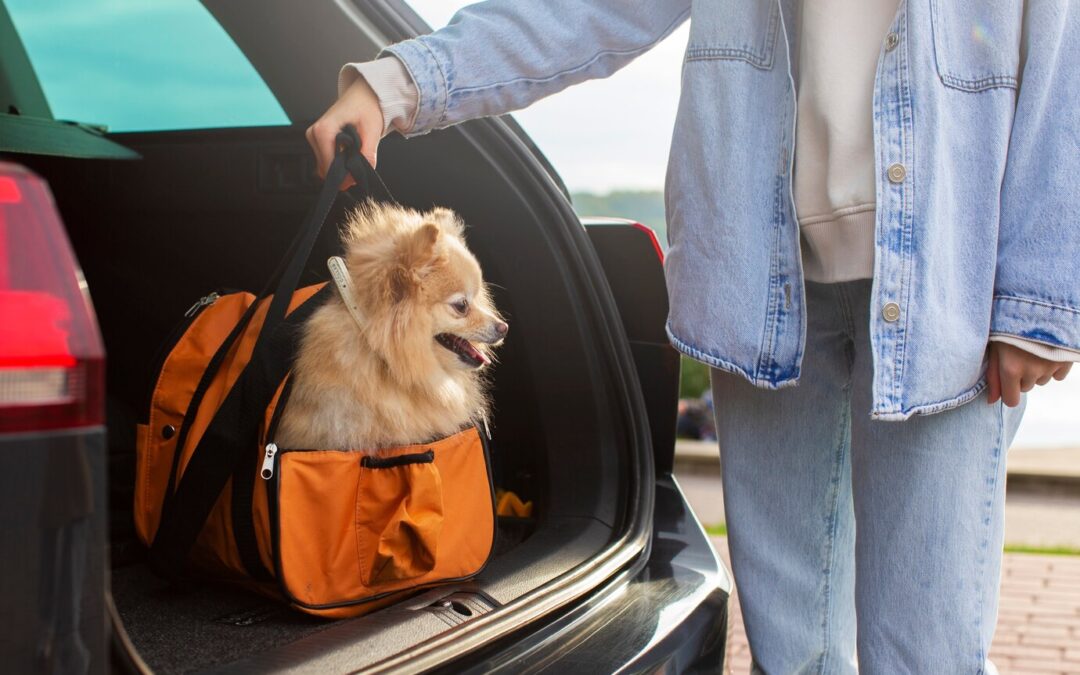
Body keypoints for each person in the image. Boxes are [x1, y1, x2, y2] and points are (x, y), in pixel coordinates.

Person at [307, 1, 1079, 671]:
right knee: (792, 655)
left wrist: (1038, 300)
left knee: (927, 657)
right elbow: (584, 9)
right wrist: (399, 82)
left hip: (948, 289)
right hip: (763, 288)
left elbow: (1062, 49)